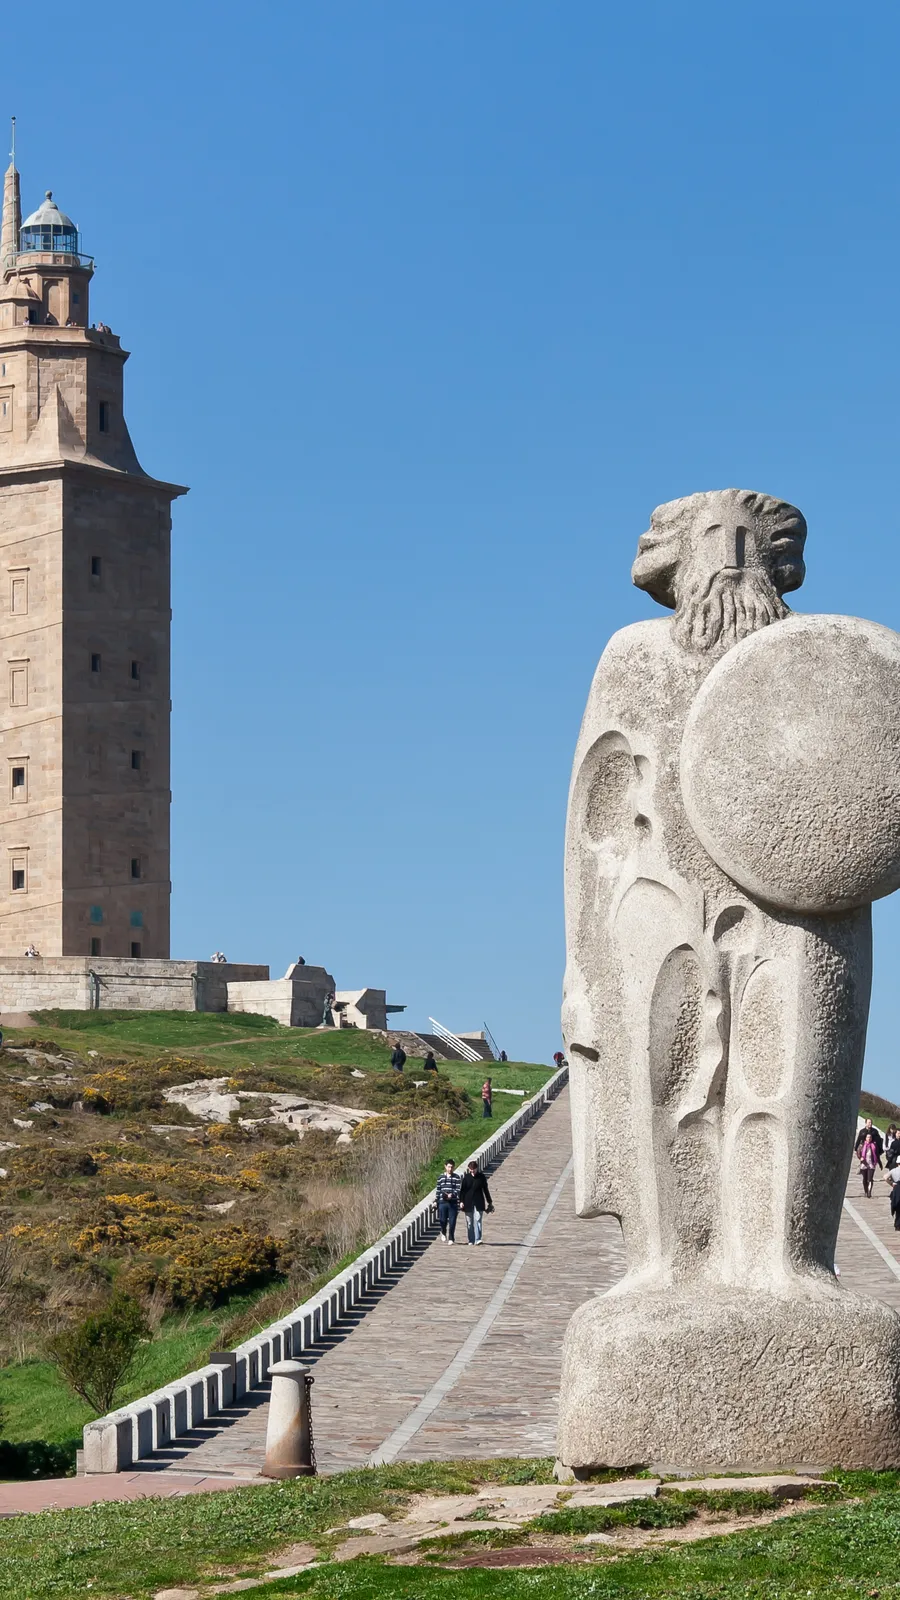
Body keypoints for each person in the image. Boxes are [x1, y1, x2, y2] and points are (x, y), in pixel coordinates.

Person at [459, 1159, 494, 1245]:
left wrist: (489, 1201)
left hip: (479, 1201)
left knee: (478, 1220)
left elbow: (485, 1190)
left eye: (474, 1170)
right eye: (471, 1170)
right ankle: (471, 1240)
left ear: (477, 1168)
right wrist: (461, 1201)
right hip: (468, 1202)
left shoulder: (481, 1177)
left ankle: (478, 1239)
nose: (472, 1171)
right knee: (469, 1222)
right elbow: (462, 1191)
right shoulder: (466, 1178)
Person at [435, 1159, 461, 1243]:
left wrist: (452, 1195)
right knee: (443, 1220)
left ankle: (451, 1238)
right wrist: (436, 1201)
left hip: (453, 1202)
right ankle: (443, 1232)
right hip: (442, 1202)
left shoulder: (456, 1177)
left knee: (452, 1221)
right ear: (445, 1167)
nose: (450, 1169)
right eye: (449, 1167)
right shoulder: (440, 1178)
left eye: (452, 1167)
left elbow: (458, 1189)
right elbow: (438, 1190)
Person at [859, 1127, 881, 1198]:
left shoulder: (874, 1145)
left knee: (870, 1179)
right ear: (865, 1138)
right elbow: (858, 1153)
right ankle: (865, 1191)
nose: (869, 1138)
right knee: (865, 1179)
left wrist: (879, 1163)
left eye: (870, 1137)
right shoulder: (862, 1145)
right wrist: (860, 1158)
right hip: (864, 1164)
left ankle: (869, 1192)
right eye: (868, 1137)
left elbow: (877, 1154)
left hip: (872, 1164)